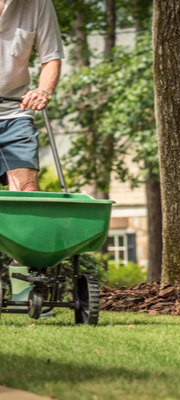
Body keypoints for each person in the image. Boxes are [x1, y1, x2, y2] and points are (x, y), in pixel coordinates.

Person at [0, 0, 64, 305]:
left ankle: (24, 295)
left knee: (25, 194)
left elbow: (51, 56)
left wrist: (44, 90)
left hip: (15, 112)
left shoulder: (38, 4)